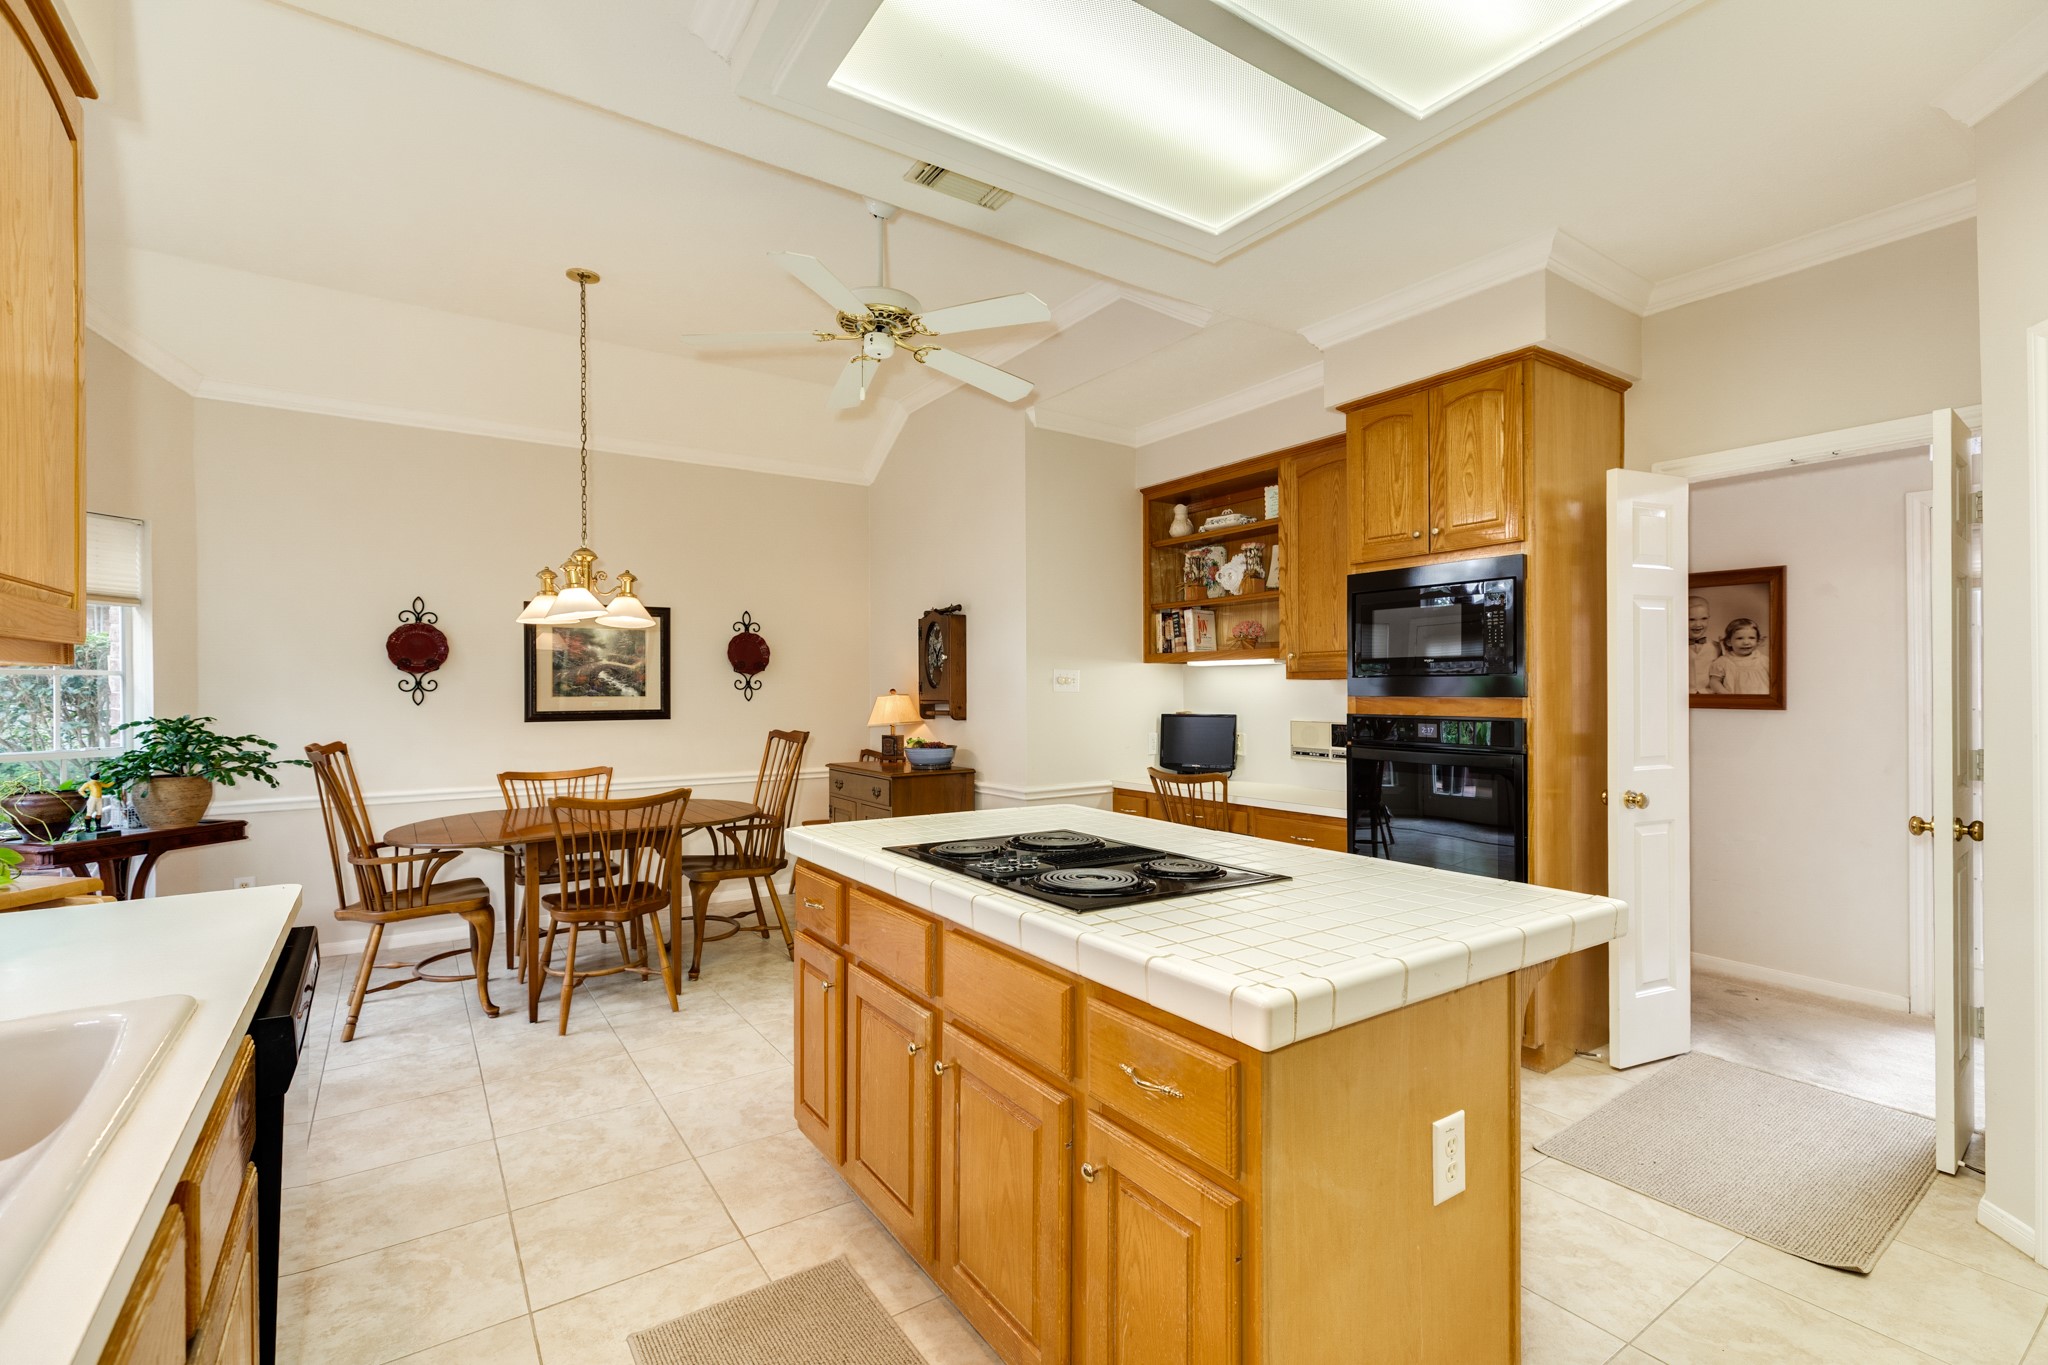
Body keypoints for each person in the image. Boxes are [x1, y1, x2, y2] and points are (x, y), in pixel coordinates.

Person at [1707, 618, 1771, 694]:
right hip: (1735, 701)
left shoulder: (1764, 660)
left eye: (1751, 638)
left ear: (1757, 641)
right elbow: (1714, 682)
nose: (1746, 642)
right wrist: (1726, 695)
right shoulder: (1723, 662)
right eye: (1739, 638)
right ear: (1729, 642)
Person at [1688, 596, 1721, 693]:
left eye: (1704, 618)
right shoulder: (1671, 647)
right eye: (1691, 619)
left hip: (1709, 697)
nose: (1698, 624)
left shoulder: (1718, 647)